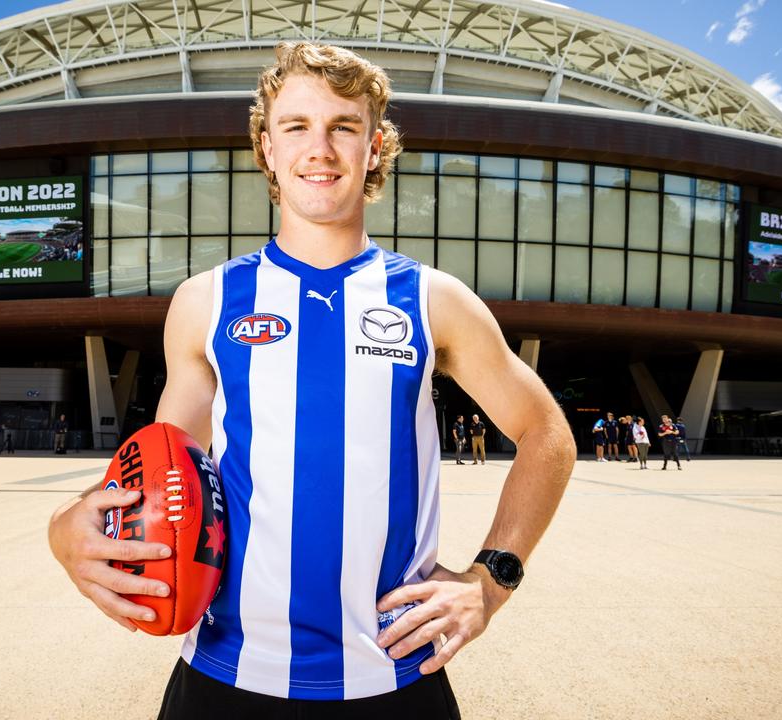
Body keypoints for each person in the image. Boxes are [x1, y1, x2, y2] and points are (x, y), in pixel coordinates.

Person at [48, 42, 575, 717]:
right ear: (267, 147)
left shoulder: (433, 300)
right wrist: (63, 528)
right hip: (225, 678)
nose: (319, 149)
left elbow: (547, 434)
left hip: (395, 681)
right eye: (296, 126)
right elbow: (163, 465)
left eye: (343, 127)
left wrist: (491, 579)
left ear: (375, 145)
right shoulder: (206, 302)